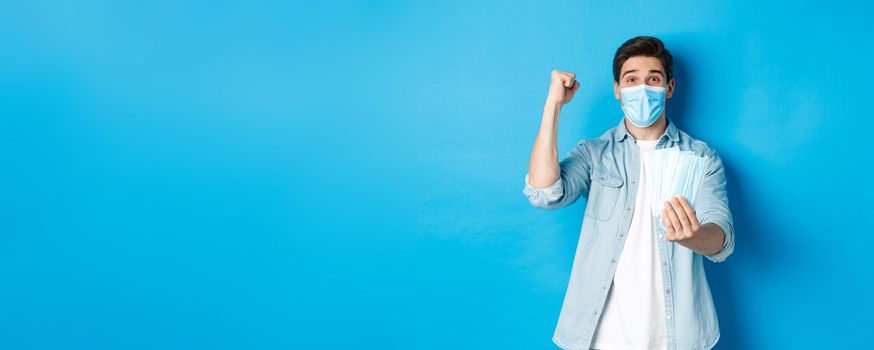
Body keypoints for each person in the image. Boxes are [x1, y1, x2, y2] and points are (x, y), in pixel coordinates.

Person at [522, 36, 735, 350]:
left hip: (678, 335)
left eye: (653, 79)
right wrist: (553, 105)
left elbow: (721, 238)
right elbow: (544, 192)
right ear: (617, 90)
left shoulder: (701, 157)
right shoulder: (594, 154)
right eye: (631, 80)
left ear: (669, 88)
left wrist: (690, 237)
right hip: (602, 336)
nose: (643, 88)